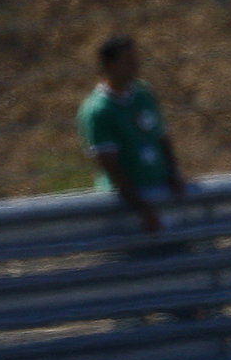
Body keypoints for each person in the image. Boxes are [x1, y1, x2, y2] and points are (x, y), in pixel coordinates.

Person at [77, 35, 187, 234]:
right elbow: (110, 165)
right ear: (109, 66)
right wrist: (143, 210)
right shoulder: (98, 110)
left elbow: (162, 136)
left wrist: (173, 173)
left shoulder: (144, 93)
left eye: (135, 59)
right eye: (128, 60)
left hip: (160, 194)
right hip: (129, 209)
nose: (135, 65)